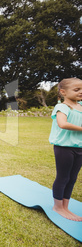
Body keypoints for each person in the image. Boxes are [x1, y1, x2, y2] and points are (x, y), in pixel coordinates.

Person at [49, 77, 82, 221]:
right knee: (63, 177)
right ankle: (57, 207)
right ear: (63, 92)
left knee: (72, 178)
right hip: (64, 147)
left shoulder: (80, 106)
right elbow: (62, 123)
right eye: (77, 90)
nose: (81, 92)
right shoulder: (62, 107)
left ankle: (65, 207)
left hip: (79, 147)